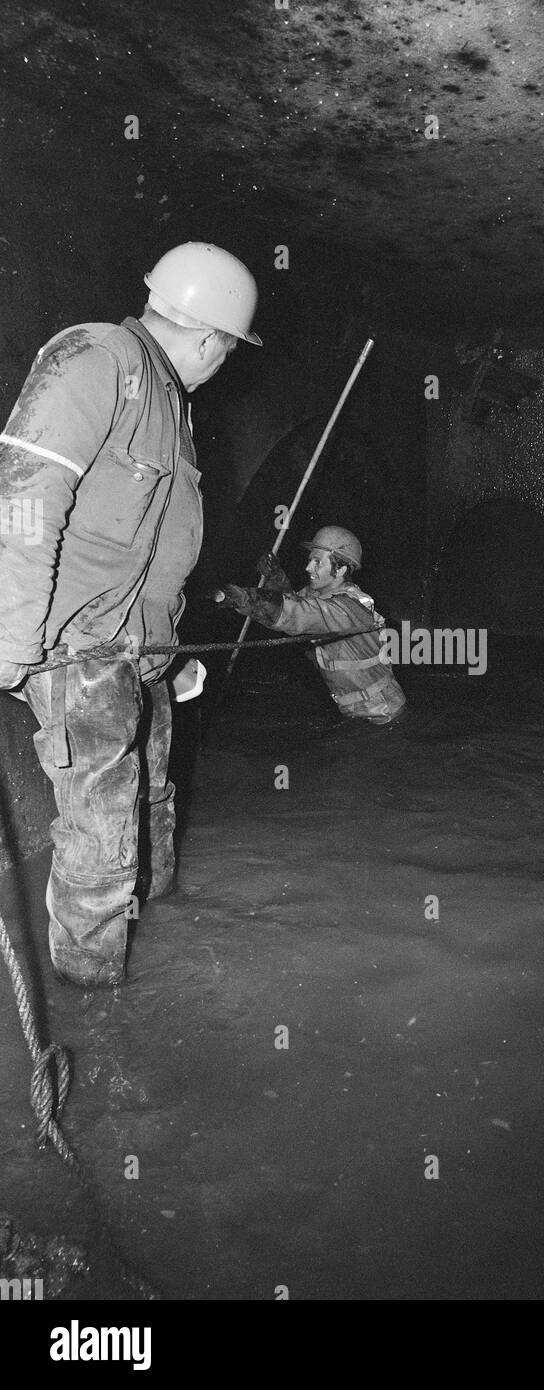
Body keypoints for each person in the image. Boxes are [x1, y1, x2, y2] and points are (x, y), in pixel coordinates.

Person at [0, 242, 261, 987]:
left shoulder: (170, 403)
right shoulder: (97, 359)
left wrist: (169, 651)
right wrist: (11, 635)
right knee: (102, 832)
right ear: (213, 338)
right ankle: (97, 996)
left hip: (139, 653)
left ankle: (165, 933)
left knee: (152, 800)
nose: (225, 361)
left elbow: (147, 548)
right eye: (230, 349)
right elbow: (23, 497)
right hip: (81, 654)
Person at [212, 526, 407, 725]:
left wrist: (246, 599)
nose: (308, 568)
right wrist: (274, 577)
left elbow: (297, 614)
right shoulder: (320, 595)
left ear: (340, 569)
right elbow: (295, 602)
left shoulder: (348, 607)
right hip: (356, 710)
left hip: (382, 713)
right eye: (310, 560)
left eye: (317, 562)